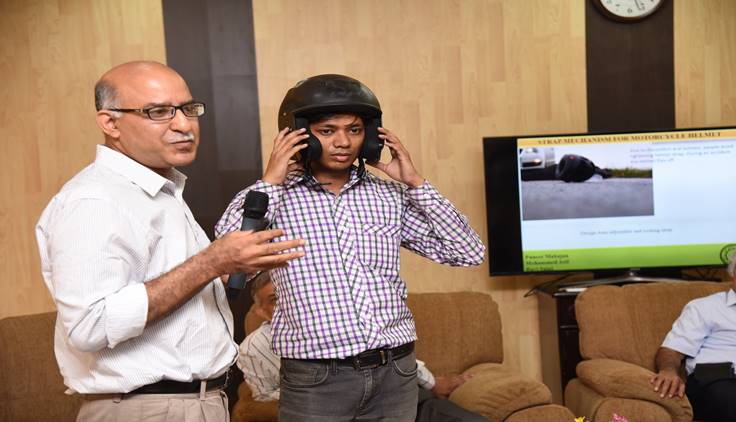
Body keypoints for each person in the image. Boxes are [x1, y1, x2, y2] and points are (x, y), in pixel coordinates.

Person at [35, 61, 304, 422]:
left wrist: (227, 268)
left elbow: (180, 289)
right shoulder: (94, 200)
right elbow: (90, 325)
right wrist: (212, 261)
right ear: (110, 123)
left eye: (188, 109)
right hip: (147, 409)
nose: (183, 125)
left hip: (195, 403)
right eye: (158, 112)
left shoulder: (160, 192)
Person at [216, 74, 485, 421]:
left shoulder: (389, 196)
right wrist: (270, 181)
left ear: (369, 136)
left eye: (354, 130)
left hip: (396, 374)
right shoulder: (273, 198)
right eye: (327, 131)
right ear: (298, 135)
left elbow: (467, 251)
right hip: (315, 380)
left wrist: (416, 183)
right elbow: (225, 261)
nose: (343, 142)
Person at [237, 272, 487, 422]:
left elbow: (394, 354)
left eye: (290, 294)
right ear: (260, 311)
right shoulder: (253, 348)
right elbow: (262, 398)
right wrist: (327, 393)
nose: (287, 304)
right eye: (274, 300)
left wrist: (433, 383)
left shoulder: (338, 319)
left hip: (401, 395)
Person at [650, 241, 736, 422]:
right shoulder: (706, 307)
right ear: (733, 273)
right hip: (719, 383)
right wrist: (668, 370)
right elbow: (672, 349)